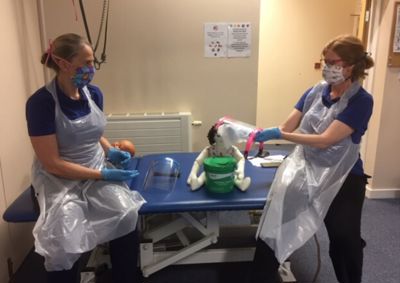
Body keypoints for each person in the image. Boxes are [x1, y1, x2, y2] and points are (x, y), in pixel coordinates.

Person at [250, 35, 374, 283]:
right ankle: (260, 277)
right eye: (324, 61)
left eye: (332, 62)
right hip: (305, 169)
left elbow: (327, 139)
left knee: (344, 239)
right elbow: (288, 125)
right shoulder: (315, 92)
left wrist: (282, 135)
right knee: (275, 225)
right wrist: (260, 132)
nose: (327, 67)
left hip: (343, 177)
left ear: (351, 65)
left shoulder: (362, 101)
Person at [25, 33, 145, 283]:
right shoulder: (41, 103)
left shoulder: (93, 93)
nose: (92, 68)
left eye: (93, 63)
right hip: (58, 179)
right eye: (87, 62)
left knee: (127, 214)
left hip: (94, 168)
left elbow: (92, 131)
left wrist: (108, 150)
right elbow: (52, 163)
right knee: (64, 236)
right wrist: (103, 174)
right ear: (64, 64)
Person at [187, 125, 251, 191]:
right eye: (218, 136)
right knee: (204, 175)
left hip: (228, 173)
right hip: (211, 173)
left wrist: (240, 170)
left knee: (233, 177)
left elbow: (241, 159)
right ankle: (197, 183)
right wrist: (193, 173)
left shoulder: (232, 150)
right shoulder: (209, 149)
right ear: (213, 136)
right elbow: (198, 162)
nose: (221, 139)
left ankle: (240, 184)